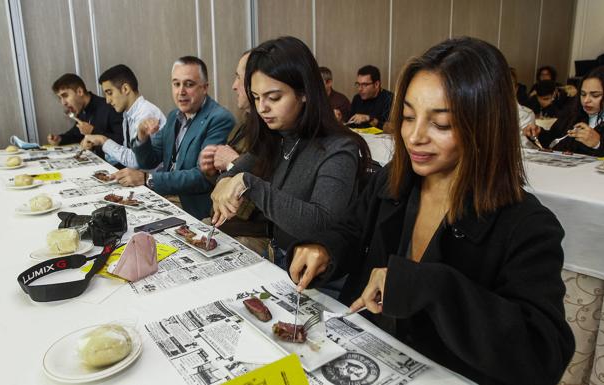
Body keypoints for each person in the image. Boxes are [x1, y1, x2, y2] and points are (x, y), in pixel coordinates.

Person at [288, 37, 574, 384]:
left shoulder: (526, 224)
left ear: (485, 127)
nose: (414, 136)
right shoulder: (392, 183)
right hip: (363, 355)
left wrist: (430, 286)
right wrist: (324, 249)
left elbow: (544, 354)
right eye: (408, 117)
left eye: (441, 124)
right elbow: (350, 230)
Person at [210, 36, 371, 269]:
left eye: (274, 97)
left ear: (304, 92)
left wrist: (247, 184)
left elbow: (322, 225)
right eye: (256, 98)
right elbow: (235, 172)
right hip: (276, 254)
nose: (262, 107)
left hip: (314, 274)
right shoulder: (277, 135)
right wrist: (225, 181)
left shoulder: (340, 148)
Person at [132, 56, 235, 219]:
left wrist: (149, 179)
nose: (181, 92)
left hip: (195, 210)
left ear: (205, 87)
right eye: (176, 84)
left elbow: (202, 177)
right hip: (167, 199)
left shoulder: (219, 118)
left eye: (189, 84)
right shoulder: (174, 116)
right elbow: (148, 161)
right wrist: (142, 136)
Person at [198, 51, 269, 254]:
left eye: (239, 77)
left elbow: (248, 205)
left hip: (252, 232)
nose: (234, 85)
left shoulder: (270, 131)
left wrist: (233, 163)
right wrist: (211, 171)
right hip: (225, 224)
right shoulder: (244, 125)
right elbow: (224, 187)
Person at [81, 64, 167, 174]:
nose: (107, 100)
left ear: (125, 89)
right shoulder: (128, 113)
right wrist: (100, 146)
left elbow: (135, 161)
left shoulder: (146, 114)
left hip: (152, 182)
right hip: (138, 177)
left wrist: (103, 141)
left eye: (110, 93)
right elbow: (127, 153)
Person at [524, 66, 604, 156]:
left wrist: (598, 144)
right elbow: (553, 142)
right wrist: (538, 133)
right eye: (583, 94)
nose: (586, 100)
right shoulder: (572, 114)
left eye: (595, 95)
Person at [48, 73, 123, 158]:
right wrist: (60, 139)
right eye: (60, 98)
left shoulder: (110, 107)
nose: (63, 103)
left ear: (80, 91)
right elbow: (76, 133)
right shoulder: (82, 109)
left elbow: (123, 141)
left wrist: (93, 131)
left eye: (65, 96)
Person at [347, 65, 393, 129]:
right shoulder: (357, 98)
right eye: (358, 84)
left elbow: (392, 128)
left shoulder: (389, 98)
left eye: (364, 85)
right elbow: (350, 124)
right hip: (359, 137)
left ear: (376, 84)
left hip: (381, 138)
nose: (360, 89)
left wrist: (369, 119)